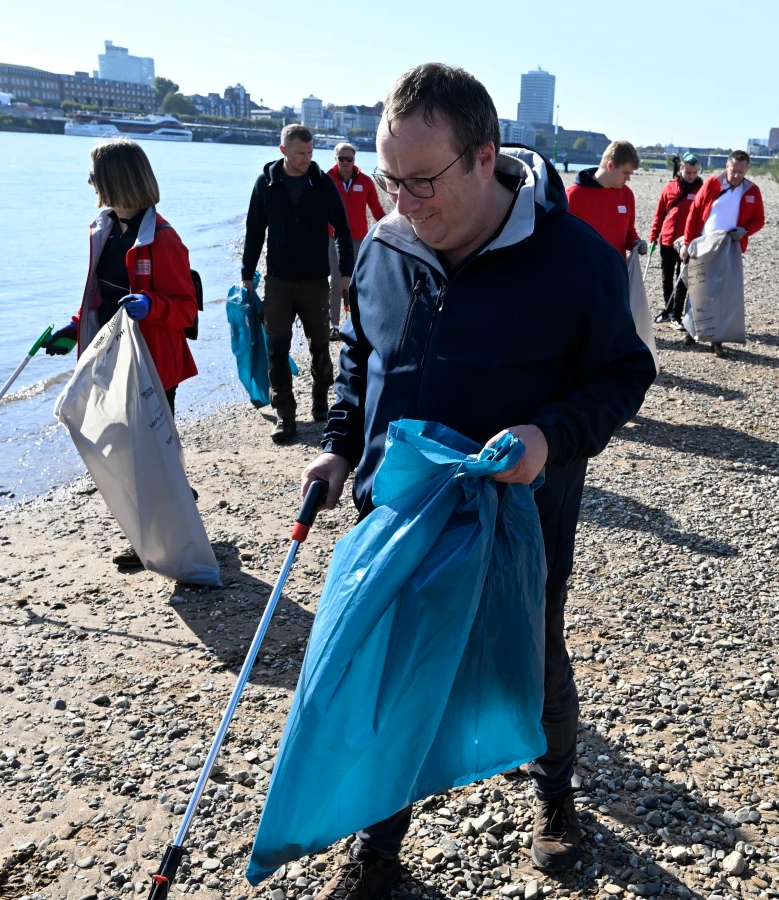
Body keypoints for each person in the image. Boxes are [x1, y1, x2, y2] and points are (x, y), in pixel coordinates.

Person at [301, 63, 656, 900]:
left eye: (422, 181)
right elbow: (363, 355)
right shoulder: (386, 244)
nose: (403, 202)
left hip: (520, 522)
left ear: (483, 157)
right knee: (394, 681)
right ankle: (379, 848)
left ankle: (557, 800)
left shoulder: (575, 262)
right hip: (398, 515)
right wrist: (340, 443)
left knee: (532, 663)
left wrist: (549, 435)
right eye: (391, 179)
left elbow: (622, 375)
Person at [45, 138, 197, 564]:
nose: (90, 182)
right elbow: (99, 294)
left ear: (116, 179)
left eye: (94, 175)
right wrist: (76, 330)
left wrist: (153, 307)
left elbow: (185, 309)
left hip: (151, 365)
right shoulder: (105, 230)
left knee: (147, 455)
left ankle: (158, 541)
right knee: (126, 449)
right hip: (113, 359)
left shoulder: (164, 239)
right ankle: (164, 514)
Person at [242, 124, 355, 444]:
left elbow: (343, 230)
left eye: (309, 152)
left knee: (320, 347)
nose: (306, 159)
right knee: (276, 350)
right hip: (277, 282)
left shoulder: (322, 184)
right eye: (299, 153)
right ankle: (285, 416)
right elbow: (254, 231)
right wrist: (246, 275)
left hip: (316, 282)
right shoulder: (265, 184)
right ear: (283, 151)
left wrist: (344, 272)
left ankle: (321, 400)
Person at [678, 149, 764, 357]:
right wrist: (687, 243)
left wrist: (744, 231)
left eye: (741, 173)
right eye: (733, 170)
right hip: (704, 244)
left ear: (746, 171)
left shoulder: (752, 191)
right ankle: (691, 331)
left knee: (722, 294)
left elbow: (759, 220)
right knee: (697, 288)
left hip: (729, 248)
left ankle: (717, 340)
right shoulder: (711, 184)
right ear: (727, 166)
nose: (736, 176)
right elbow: (694, 212)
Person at [327, 142, 385, 338]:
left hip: (359, 238)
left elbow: (376, 210)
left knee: (358, 281)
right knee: (336, 281)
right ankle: (334, 325)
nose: (345, 162)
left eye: (349, 159)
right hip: (332, 238)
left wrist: (392, 229)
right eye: (341, 159)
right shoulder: (326, 180)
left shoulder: (366, 182)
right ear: (335, 159)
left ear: (354, 160)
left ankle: (358, 324)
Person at [649, 152, 703, 324]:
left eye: (695, 173)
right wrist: (653, 237)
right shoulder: (670, 187)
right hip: (667, 239)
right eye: (688, 173)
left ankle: (676, 315)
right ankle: (668, 308)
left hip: (687, 242)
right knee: (667, 277)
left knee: (682, 278)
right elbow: (659, 214)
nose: (691, 176)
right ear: (681, 170)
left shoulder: (701, 190)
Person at [565, 140, 642, 256]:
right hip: (582, 270)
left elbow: (629, 231)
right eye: (625, 173)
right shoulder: (573, 195)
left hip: (616, 270)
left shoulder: (627, 195)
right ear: (610, 165)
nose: (628, 178)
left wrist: (636, 243)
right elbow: (560, 237)